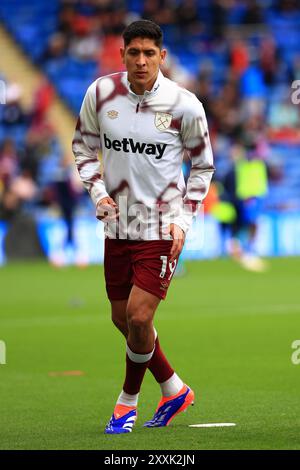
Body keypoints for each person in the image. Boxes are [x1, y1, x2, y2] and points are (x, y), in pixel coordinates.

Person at [72, 20, 214, 435]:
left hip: (161, 227)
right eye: (133, 52)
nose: (141, 61)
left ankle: (126, 403)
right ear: (122, 55)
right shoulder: (100, 94)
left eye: (149, 53)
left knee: (138, 316)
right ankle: (174, 388)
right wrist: (97, 192)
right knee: (123, 320)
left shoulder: (184, 104)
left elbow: (203, 166)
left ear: (162, 57)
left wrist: (184, 221)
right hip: (118, 226)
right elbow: (83, 146)